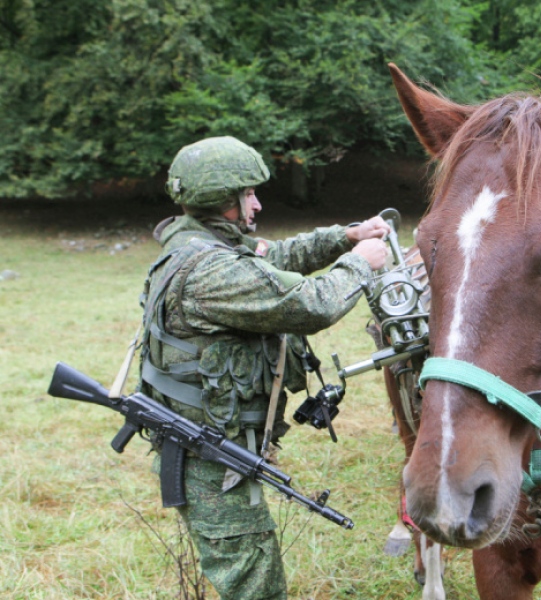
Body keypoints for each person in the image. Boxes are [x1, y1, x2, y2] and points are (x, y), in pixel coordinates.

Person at [139, 135, 390, 599]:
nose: (256, 204)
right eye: (247, 194)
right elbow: (310, 305)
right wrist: (359, 266)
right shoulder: (209, 272)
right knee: (255, 583)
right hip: (209, 459)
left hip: (211, 448)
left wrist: (345, 237)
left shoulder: (198, 242)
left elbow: (274, 257)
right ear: (221, 199)